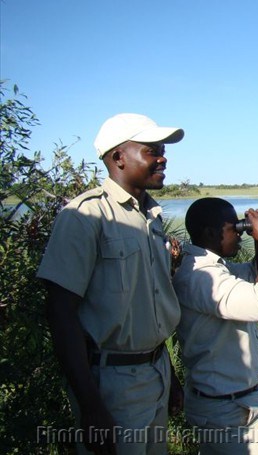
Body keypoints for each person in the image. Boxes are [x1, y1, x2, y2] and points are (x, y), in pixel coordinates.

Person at [37, 113, 185, 455]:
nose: (163, 158)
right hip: (113, 384)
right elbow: (61, 313)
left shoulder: (151, 218)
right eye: (152, 150)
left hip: (156, 372)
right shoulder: (86, 216)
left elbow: (148, 309)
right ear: (118, 157)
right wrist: (91, 405)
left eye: (162, 150)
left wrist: (171, 376)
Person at [173, 197, 258, 455]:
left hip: (221, 406)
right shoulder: (202, 278)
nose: (240, 234)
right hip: (229, 414)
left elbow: (256, 277)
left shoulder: (210, 268)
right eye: (234, 228)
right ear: (211, 233)